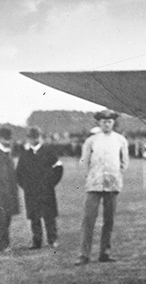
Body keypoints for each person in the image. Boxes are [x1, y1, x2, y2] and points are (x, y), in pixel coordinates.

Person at [76, 109, 129, 265]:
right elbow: (84, 161)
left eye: (109, 121)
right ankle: (84, 254)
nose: (106, 124)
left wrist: (115, 174)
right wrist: (91, 175)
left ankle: (104, 252)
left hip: (112, 184)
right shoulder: (91, 141)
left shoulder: (120, 140)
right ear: (99, 122)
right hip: (94, 184)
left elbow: (124, 162)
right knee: (88, 220)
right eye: (104, 121)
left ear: (113, 122)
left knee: (109, 220)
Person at [16, 127, 63, 249]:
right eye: (31, 137)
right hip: (31, 192)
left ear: (40, 137)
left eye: (36, 137)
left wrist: (51, 183)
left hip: (47, 190)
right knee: (34, 217)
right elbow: (18, 174)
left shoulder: (49, 151)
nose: (34, 140)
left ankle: (52, 240)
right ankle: (37, 242)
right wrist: (26, 187)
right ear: (28, 139)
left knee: (49, 216)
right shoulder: (24, 155)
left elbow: (59, 168)